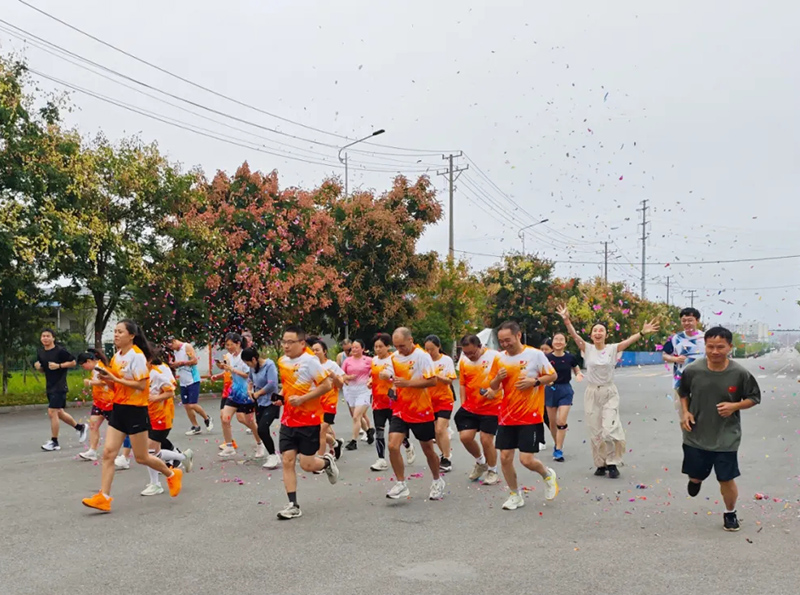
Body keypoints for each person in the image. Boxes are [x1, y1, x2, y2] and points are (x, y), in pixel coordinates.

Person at [82, 320, 182, 512]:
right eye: (115, 331)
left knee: (142, 457)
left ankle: (171, 474)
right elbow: (115, 385)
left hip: (136, 411)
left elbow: (141, 386)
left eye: (120, 332)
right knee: (108, 453)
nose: (116, 335)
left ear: (131, 335)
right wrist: (107, 380)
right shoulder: (117, 357)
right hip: (118, 409)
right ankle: (103, 497)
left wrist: (114, 379)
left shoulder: (137, 356)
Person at [557, 304, 659, 478]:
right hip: (592, 394)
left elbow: (627, 342)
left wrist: (642, 332)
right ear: (591, 335)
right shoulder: (587, 349)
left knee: (609, 429)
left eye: (601, 330)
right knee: (595, 431)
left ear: (606, 334)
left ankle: (612, 463)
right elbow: (574, 336)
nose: (598, 333)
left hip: (609, 392)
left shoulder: (612, 349)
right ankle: (600, 464)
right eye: (595, 330)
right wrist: (566, 320)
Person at [679, 326, 760, 532]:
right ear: (704, 346)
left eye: (720, 347)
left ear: (730, 347)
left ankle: (730, 513)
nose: (715, 351)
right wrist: (685, 412)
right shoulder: (693, 370)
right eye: (710, 347)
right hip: (696, 434)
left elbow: (754, 397)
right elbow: (683, 393)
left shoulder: (740, 373)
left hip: (726, 435)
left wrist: (735, 406)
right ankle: (695, 480)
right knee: (696, 476)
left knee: (726, 477)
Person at [488, 321, 559, 510]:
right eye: (501, 341)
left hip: (530, 415)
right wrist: (497, 378)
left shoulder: (535, 355)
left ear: (518, 336)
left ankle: (547, 474)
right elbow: (493, 387)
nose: (505, 344)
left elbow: (552, 376)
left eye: (508, 340)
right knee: (504, 457)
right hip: (506, 416)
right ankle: (515, 494)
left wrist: (534, 382)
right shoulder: (499, 359)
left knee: (526, 460)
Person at [275, 325, 339, 520]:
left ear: (302, 343)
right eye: (284, 341)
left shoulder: (310, 362)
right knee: (287, 460)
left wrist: (303, 399)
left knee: (307, 464)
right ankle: (293, 505)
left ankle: (326, 461)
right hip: (288, 420)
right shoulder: (282, 361)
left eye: (290, 342)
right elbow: (287, 387)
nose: (286, 346)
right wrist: (280, 397)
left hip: (309, 420)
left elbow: (327, 385)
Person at [380, 327, 445, 501]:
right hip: (400, 409)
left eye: (402, 346)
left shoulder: (422, 356)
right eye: (396, 346)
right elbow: (388, 372)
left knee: (428, 450)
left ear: (411, 340)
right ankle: (401, 484)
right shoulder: (394, 358)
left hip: (420, 409)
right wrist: (385, 375)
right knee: (393, 446)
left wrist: (408, 383)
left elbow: (432, 381)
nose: (399, 350)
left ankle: (437, 480)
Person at [142, 347, 193, 496]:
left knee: (149, 452)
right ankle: (183, 457)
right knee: (153, 453)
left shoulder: (158, 372)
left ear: (149, 359)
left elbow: (170, 391)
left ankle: (156, 484)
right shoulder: (144, 372)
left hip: (161, 416)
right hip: (148, 415)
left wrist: (155, 398)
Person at [455, 334, 501, 485]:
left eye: (472, 353)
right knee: (465, 438)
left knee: (486, 440)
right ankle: (481, 462)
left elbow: (505, 379)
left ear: (480, 346)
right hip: (471, 407)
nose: (469, 356)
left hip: (492, 406)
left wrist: (494, 392)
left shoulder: (495, 357)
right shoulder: (464, 360)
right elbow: (462, 383)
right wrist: (463, 403)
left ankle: (493, 470)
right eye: (466, 353)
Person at [35, 328, 87, 451]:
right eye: (43, 336)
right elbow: (44, 369)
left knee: (52, 412)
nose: (45, 338)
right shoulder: (41, 352)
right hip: (50, 386)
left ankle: (54, 442)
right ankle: (80, 428)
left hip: (60, 386)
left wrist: (59, 365)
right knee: (59, 412)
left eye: (48, 336)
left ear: (53, 338)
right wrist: (38, 368)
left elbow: (73, 362)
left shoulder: (60, 351)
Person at [369, 332, 415, 472]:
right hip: (378, 401)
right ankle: (381, 459)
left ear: (388, 346)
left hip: (392, 400)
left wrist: (389, 377)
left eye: (381, 346)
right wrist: (370, 381)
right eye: (376, 347)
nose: (378, 349)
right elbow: (373, 376)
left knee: (394, 432)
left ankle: (407, 445)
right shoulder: (374, 360)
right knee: (379, 431)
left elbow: (400, 376)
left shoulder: (394, 359)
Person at [217, 333, 265, 459]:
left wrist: (231, 369)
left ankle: (260, 443)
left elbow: (248, 375)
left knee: (246, 420)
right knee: (224, 418)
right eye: (226, 345)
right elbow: (229, 370)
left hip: (246, 393)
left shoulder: (245, 356)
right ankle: (229, 446)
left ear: (238, 343)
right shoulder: (230, 356)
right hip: (234, 392)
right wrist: (223, 367)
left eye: (230, 344)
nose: (228, 347)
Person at [241, 347, 281, 470]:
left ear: (254, 359)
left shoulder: (269, 365)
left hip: (272, 401)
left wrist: (258, 393)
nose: (248, 366)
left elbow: (272, 384)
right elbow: (250, 379)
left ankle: (273, 455)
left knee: (263, 428)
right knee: (261, 429)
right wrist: (249, 390)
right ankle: (272, 454)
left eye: (248, 363)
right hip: (259, 403)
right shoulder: (253, 367)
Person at [544, 332, 582, 462]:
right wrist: (545, 381)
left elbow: (576, 368)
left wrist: (578, 375)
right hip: (550, 390)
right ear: (552, 342)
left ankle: (559, 449)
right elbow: (540, 371)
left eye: (561, 340)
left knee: (561, 421)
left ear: (565, 343)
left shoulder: (570, 357)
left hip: (565, 389)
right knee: (552, 423)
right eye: (556, 339)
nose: (559, 342)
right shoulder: (546, 357)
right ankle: (557, 444)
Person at [663, 307, 706, 420]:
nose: (687, 323)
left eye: (690, 320)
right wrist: (675, 359)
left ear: (697, 321)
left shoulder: (705, 338)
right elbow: (664, 355)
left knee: (701, 416)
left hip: (702, 381)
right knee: (683, 416)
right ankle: (688, 437)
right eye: (684, 320)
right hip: (680, 382)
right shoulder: (675, 338)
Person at [423, 335, 457, 473]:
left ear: (438, 347)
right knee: (435, 432)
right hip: (429, 401)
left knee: (440, 429)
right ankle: (444, 454)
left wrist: (437, 377)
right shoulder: (424, 361)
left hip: (444, 399)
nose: (430, 352)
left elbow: (450, 380)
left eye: (432, 349)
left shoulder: (446, 360)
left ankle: (447, 458)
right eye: (427, 349)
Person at [308, 338, 345, 460]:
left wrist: (333, 376)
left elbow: (341, 384)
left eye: (317, 350)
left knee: (321, 431)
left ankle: (320, 459)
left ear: (324, 351)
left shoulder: (332, 365)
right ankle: (335, 443)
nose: (314, 352)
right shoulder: (310, 366)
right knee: (316, 431)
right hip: (315, 404)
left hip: (329, 403)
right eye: (312, 350)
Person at [167, 336, 212, 436]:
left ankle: (207, 418)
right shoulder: (175, 352)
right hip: (183, 380)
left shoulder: (186, 347)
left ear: (174, 341)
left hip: (193, 379)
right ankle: (196, 426)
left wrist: (181, 363)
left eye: (171, 346)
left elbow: (194, 361)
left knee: (192, 404)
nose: (172, 349)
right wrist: (174, 365)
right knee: (187, 406)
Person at [77, 349, 114, 461]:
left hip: (109, 402)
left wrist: (90, 382)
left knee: (118, 429)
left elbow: (106, 381)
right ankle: (92, 451)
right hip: (99, 402)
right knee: (93, 425)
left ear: (88, 361)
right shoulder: (95, 369)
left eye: (83, 365)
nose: (84, 368)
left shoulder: (100, 368)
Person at [341, 339, 374, 450]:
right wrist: (348, 378)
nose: (354, 349)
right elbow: (341, 375)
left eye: (357, 347)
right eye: (353, 347)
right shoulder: (347, 361)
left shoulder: (369, 360)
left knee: (356, 416)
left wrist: (371, 379)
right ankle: (369, 431)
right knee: (356, 417)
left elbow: (375, 372)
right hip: (351, 391)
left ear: (363, 349)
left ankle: (353, 441)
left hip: (364, 390)